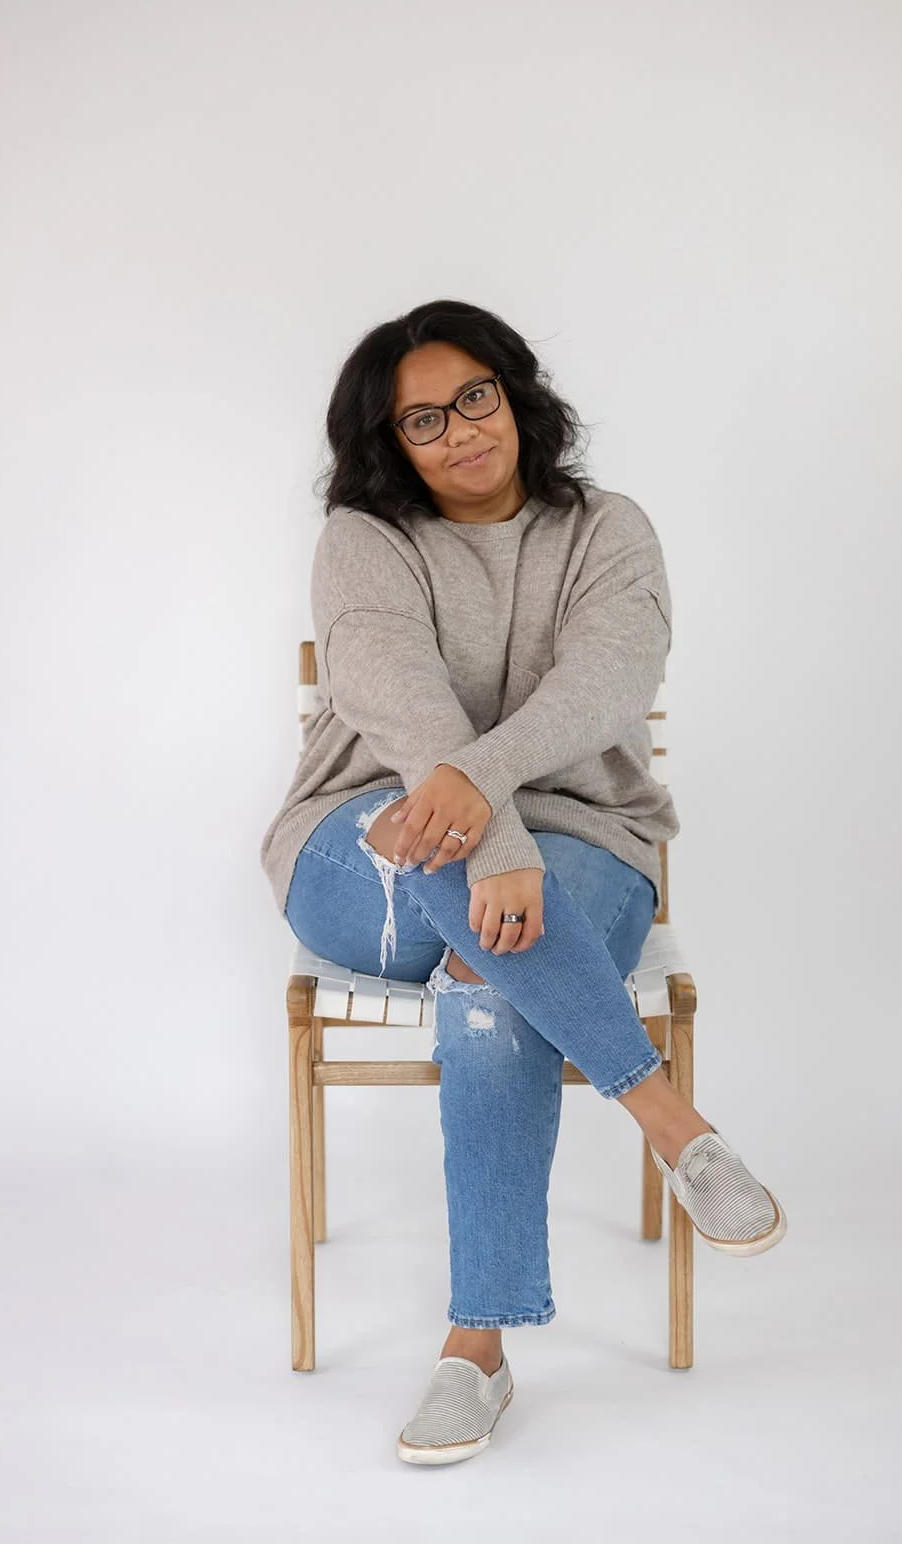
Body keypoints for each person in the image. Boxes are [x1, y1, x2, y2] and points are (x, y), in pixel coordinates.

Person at [259, 298, 786, 1466]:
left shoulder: (607, 531)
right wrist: (491, 845)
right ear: (390, 444)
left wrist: (486, 798)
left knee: (488, 977)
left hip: (585, 841)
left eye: (474, 396)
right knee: (477, 911)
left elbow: (607, 682)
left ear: (515, 393)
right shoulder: (364, 542)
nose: (458, 430)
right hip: (363, 842)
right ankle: (665, 1117)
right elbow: (399, 701)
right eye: (422, 420)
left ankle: (476, 1348)